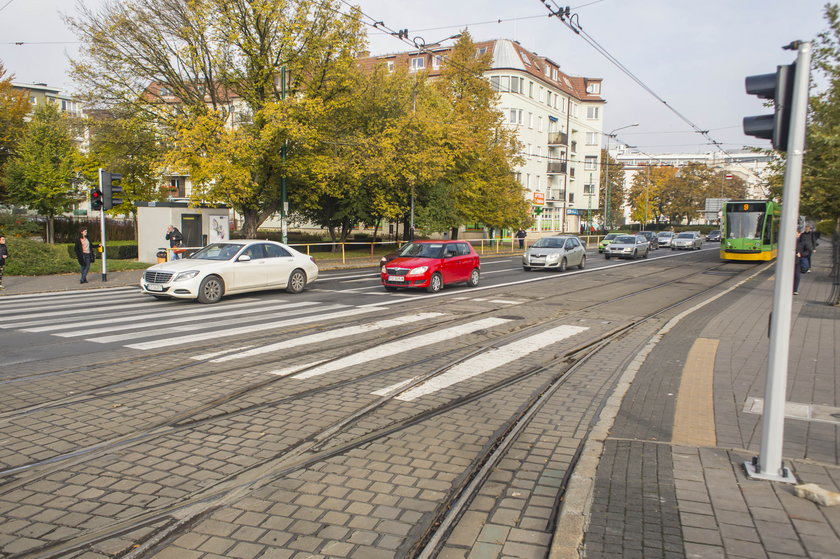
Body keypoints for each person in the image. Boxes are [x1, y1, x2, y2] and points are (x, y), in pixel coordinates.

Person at [793, 229, 811, 295]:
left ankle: (795, 290)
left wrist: (801, 254)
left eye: (796, 233)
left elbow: (808, 251)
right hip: (789, 261)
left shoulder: (803, 241)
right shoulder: (788, 241)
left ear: (799, 234)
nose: (795, 235)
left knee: (797, 275)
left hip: (798, 261)